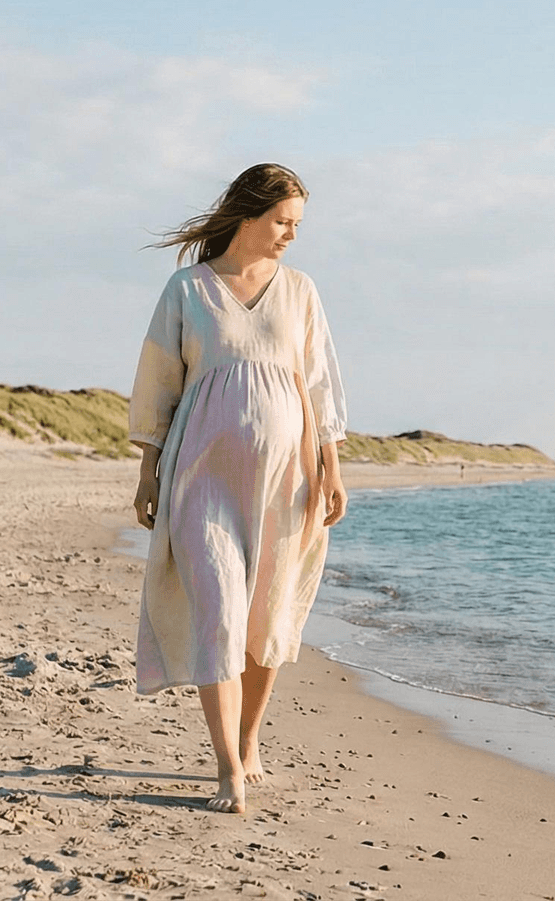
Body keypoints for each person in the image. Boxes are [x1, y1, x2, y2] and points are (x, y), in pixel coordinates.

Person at [126, 162, 348, 814]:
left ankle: (249, 741)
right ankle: (228, 768)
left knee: (266, 613)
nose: (289, 235)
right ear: (248, 212)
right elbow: (159, 382)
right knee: (218, 612)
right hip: (203, 479)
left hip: (286, 480)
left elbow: (318, 386)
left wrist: (332, 465)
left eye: (297, 225)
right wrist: (148, 468)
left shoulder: (301, 291)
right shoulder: (187, 290)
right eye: (282, 221)